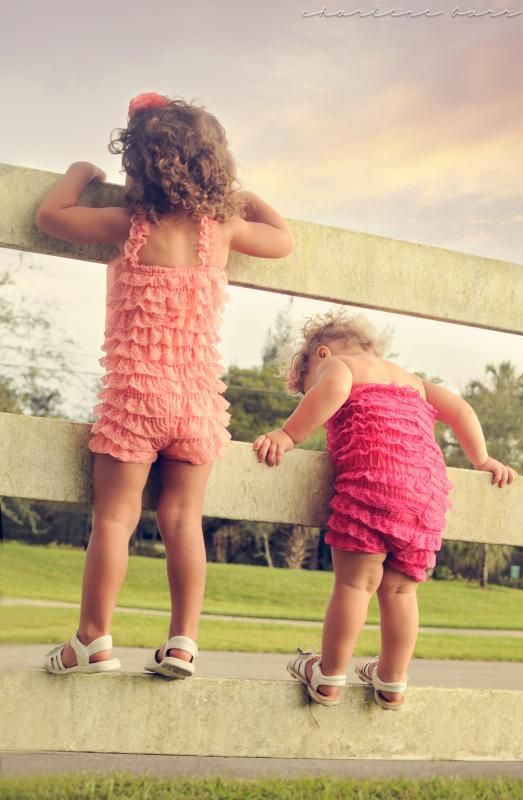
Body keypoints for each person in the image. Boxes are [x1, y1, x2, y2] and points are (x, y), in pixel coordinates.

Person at [37, 91, 294, 677]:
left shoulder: (128, 224)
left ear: (138, 167)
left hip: (137, 396)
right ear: (214, 166)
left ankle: (93, 640)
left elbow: (50, 216)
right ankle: (182, 643)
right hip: (198, 402)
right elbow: (284, 239)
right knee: (183, 520)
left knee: (115, 519)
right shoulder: (222, 229)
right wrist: (245, 198)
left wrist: (82, 172)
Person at [253, 308, 517, 709]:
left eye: (306, 385)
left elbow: (334, 390)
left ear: (321, 355)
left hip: (375, 481)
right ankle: (392, 680)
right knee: (400, 589)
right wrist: (481, 459)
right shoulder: (412, 380)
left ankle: (329, 676)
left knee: (355, 584)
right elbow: (462, 410)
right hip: (426, 494)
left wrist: (288, 434)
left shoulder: (338, 367)